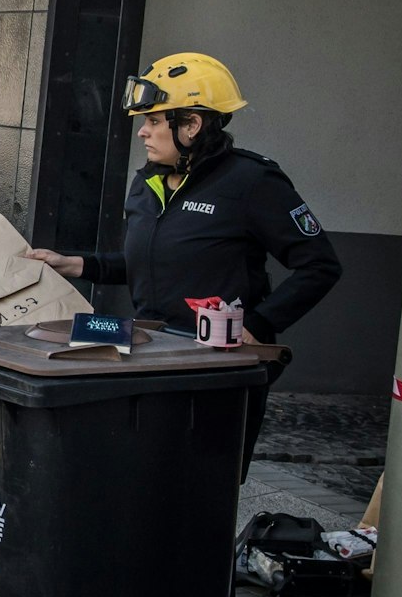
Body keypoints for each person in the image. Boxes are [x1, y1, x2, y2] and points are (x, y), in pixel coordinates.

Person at [23, 52, 341, 469]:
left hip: (215, 370)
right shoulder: (148, 181)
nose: (143, 132)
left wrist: (258, 325)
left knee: (199, 487)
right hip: (147, 353)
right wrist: (79, 265)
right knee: (139, 480)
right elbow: (151, 262)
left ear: (192, 125)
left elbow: (320, 265)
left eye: (155, 121)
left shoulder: (252, 182)